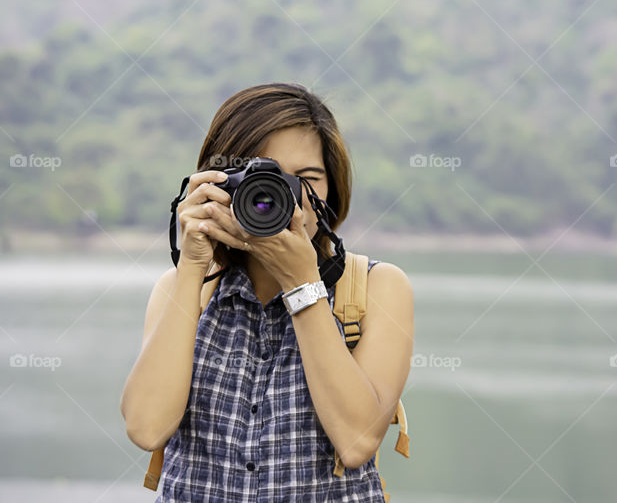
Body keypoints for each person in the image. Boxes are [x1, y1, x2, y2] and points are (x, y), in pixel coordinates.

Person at [120, 83, 414, 502]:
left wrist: (303, 286)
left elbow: (356, 442)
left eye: (305, 180)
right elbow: (146, 428)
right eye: (262, 179)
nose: (279, 198)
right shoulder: (184, 290)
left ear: (331, 190)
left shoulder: (376, 287)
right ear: (218, 183)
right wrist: (190, 265)